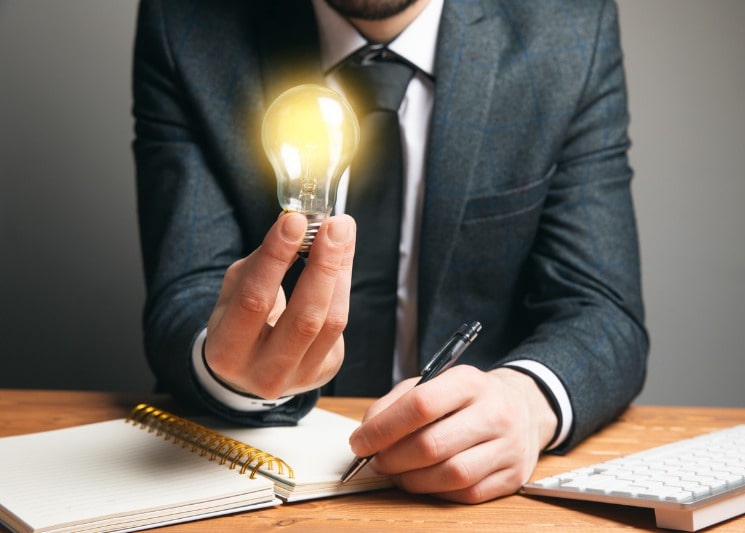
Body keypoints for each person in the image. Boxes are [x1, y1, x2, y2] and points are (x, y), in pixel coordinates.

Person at [132, 0, 648, 503]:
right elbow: (186, 290)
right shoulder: (188, 21)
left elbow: (602, 310)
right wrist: (232, 367)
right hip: (267, 470)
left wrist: (525, 402)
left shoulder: (568, 30)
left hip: (467, 492)